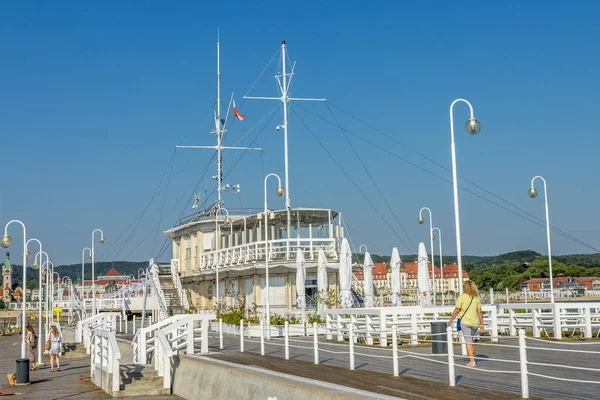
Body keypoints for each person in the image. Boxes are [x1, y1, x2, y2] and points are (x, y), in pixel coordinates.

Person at [447, 281, 484, 367]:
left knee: (468, 341)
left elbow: (457, 310)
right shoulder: (476, 298)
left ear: (465, 287)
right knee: (471, 340)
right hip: (475, 323)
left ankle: (472, 361)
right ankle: (472, 357)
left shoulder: (462, 297)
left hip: (465, 322)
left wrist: (451, 320)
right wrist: (482, 323)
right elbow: (480, 311)